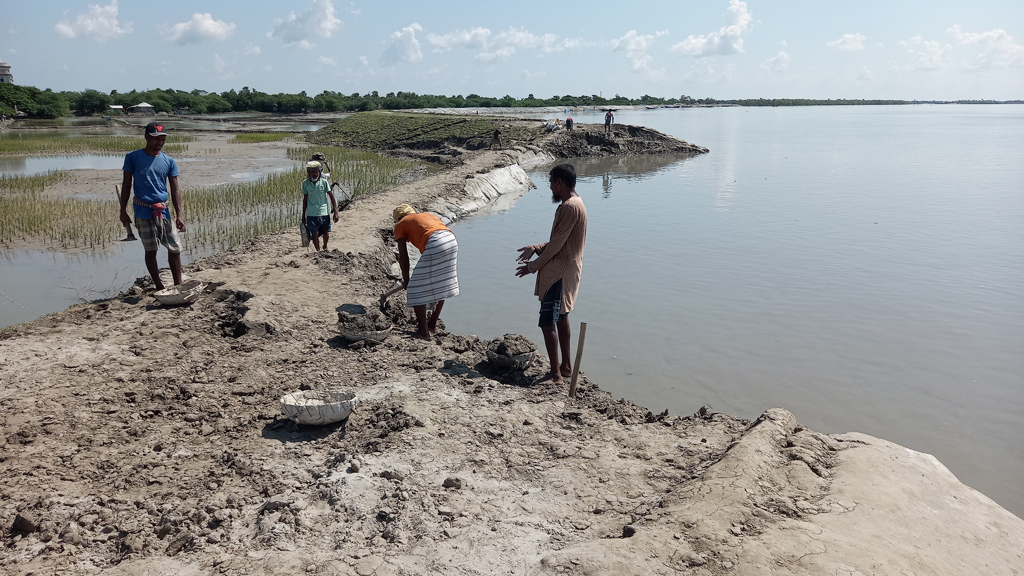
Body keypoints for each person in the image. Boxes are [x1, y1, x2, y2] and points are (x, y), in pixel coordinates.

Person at [515, 163, 587, 385]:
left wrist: (532, 267)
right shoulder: (575, 203)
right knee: (562, 318)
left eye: (551, 183)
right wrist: (536, 248)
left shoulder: (569, 208)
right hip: (566, 270)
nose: (550, 188)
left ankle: (555, 374)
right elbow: (559, 241)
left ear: (560, 183)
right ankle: (565, 367)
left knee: (548, 322)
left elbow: (556, 246)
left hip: (560, 274)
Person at [119, 122, 186, 291]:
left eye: (163, 139)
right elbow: (126, 185)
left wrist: (179, 215)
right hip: (143, 210)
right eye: (156, 139)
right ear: (147, 137)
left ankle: (178, 283)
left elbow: (175, 188)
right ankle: (159, 286)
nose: (160, 142)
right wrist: (123, 211)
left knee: (175, 248)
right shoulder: (132, 157)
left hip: (164, 211)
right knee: (151, 250)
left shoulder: (169, 161)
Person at [393, 204, 459, 340]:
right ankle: (432, 324)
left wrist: (406, 280)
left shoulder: (400, 224)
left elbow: (403, 257)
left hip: (436, 242)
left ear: (398, 219)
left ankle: (423, 332)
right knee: (442, 283)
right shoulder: (426, 216)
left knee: (415, 288)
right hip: (451, 240)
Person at [301, 161, 339, 251]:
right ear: (308, 172)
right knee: (315, 234)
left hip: (324, 212)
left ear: (319, 172)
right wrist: (303, 215)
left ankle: (325, 247)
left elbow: (331, 196)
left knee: (326, 231)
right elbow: (305, 200)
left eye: (316, 172)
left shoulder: (324, 182)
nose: (314, 174)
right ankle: (318, 251)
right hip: (311, 213)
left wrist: (336, 211)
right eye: (311, 172)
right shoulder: (305, 183)